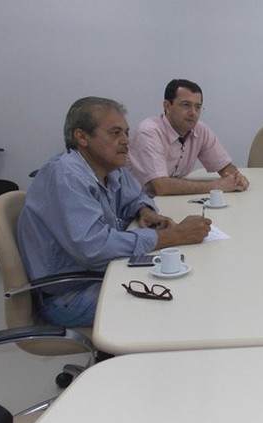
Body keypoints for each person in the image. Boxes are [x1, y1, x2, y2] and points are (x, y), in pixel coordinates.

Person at [17, 97, 212, 327]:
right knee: (173, 301)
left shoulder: (110, 167)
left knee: (185, 280)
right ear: (82, 137)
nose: (126, 141)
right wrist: (172, 236)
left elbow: (137, 196)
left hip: (101, 274)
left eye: (126, 133)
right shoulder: (66, 176)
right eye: (115, 133)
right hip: (70, 294)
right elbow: (95, 248)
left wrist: (144, 211)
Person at [129, 79, 249, 196]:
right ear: (167, 106)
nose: (193, 113)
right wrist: (216, 186)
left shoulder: (200, 130)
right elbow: (160, 186)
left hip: (169, 200)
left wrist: (236, 178)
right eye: (186, 105)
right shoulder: (149, 132)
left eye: (198, 107)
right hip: (137, 203)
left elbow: (225, 167)